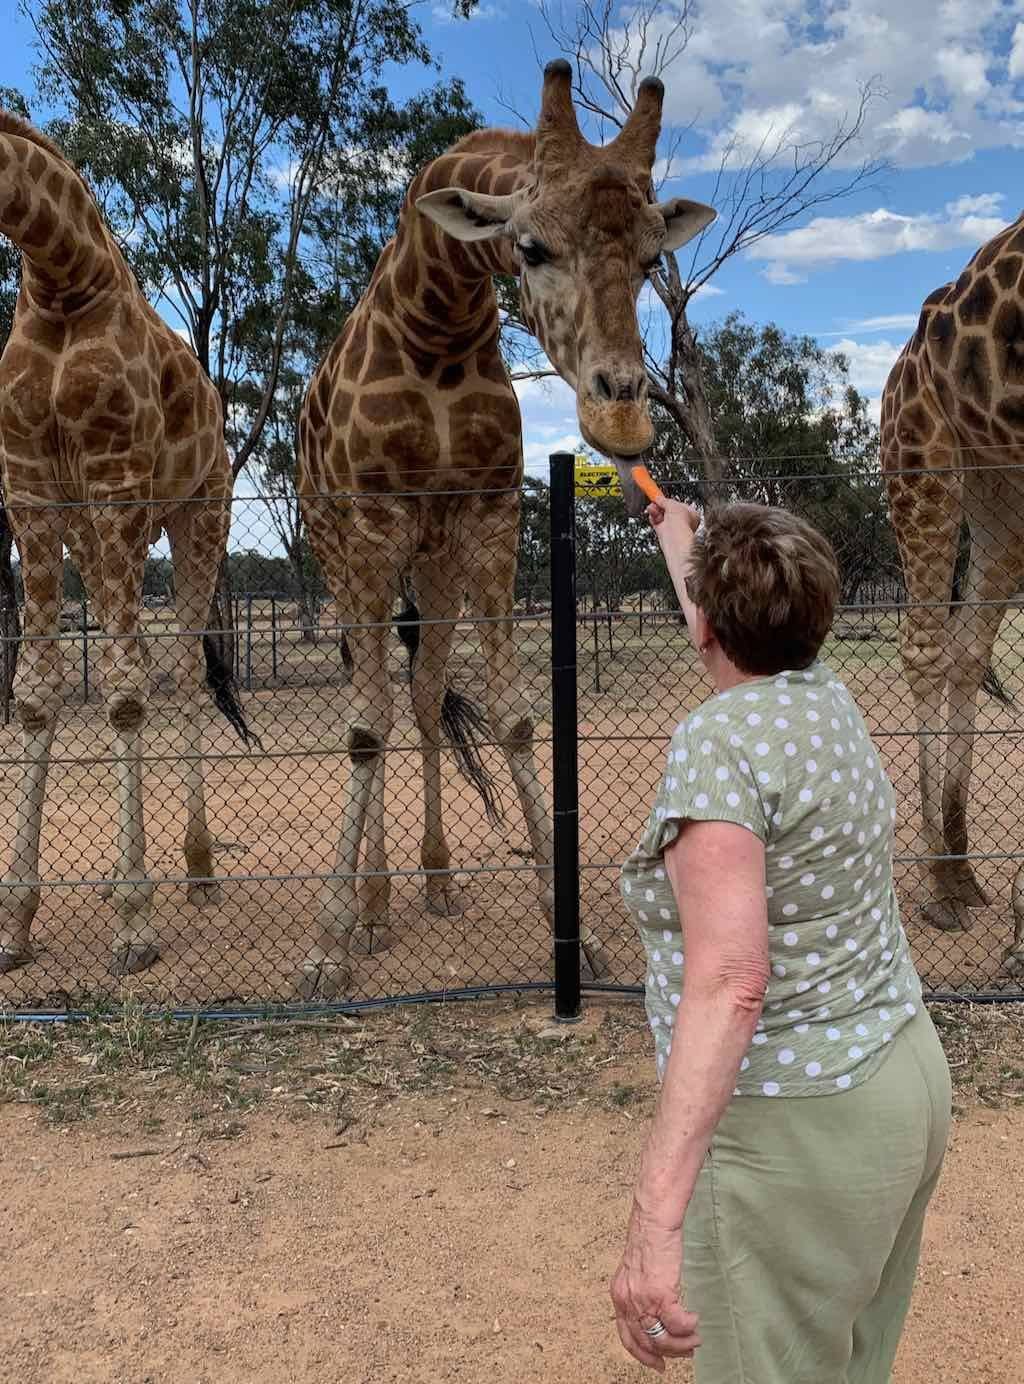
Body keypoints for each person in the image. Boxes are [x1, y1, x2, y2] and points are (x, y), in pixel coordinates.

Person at [609, 499, 951, 1382]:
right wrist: (678, 534)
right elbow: (730, 633)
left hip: (796, 1130)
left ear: (713, 624)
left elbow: (730, 978)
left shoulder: (717, 745)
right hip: (901, 1084)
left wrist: (656, 1220)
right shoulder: (825, 696)